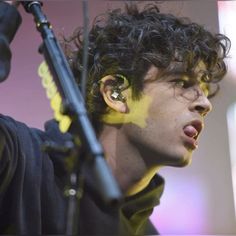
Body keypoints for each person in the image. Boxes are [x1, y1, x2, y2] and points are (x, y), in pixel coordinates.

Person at [0, 1, 230, 235]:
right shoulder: (18, 158)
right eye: (181, 82)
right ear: (116, 94)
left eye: (203, 88)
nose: (205, 104)